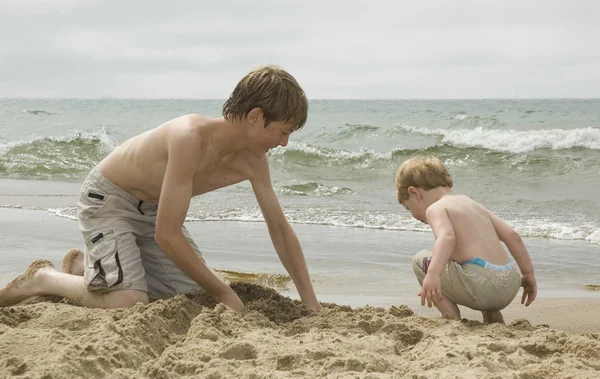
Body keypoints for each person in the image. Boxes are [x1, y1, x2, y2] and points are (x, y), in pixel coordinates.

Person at [0, 65, 322, 312]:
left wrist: (310, 301)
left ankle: (89, 267)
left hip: (152, 210)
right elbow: (167, 234)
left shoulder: (254, 161)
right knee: (130, 301)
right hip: (109, 201)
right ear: (256, 117)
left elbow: (279, 229)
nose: (284, 143)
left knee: (195, 297)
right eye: (283, 131)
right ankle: (45, 279)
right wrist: (225, 291)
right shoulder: (190, 137)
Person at [395, 156, 537, 323]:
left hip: (482, 285)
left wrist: (433, 274)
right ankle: (492, 315)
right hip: (510, 284)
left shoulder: (435, 208)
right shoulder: (472, 204)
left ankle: (450, 316)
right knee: (471, 260)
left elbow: (447, 237)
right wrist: (528, 274)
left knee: (421, 260)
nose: (412, 215)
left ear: (414, 193)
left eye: (408, 207)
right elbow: (512, 235)